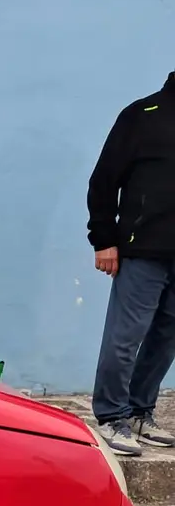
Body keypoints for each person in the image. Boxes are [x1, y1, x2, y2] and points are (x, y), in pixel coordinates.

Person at [88, 71, 175, 456]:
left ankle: (141, 411)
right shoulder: (143, 115)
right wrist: (104, 239)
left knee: (165, 341)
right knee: (125, 337)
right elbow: (104, 179)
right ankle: (110, 415)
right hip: (143, 250)